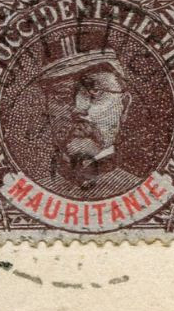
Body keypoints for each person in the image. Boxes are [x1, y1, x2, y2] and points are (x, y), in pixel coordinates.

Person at [30, 31, 143, 199]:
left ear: (124, 105)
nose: (78, 108)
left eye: (95, 91)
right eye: (61, 94)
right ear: (46, 109)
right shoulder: (30, 194)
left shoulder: (146, 193)